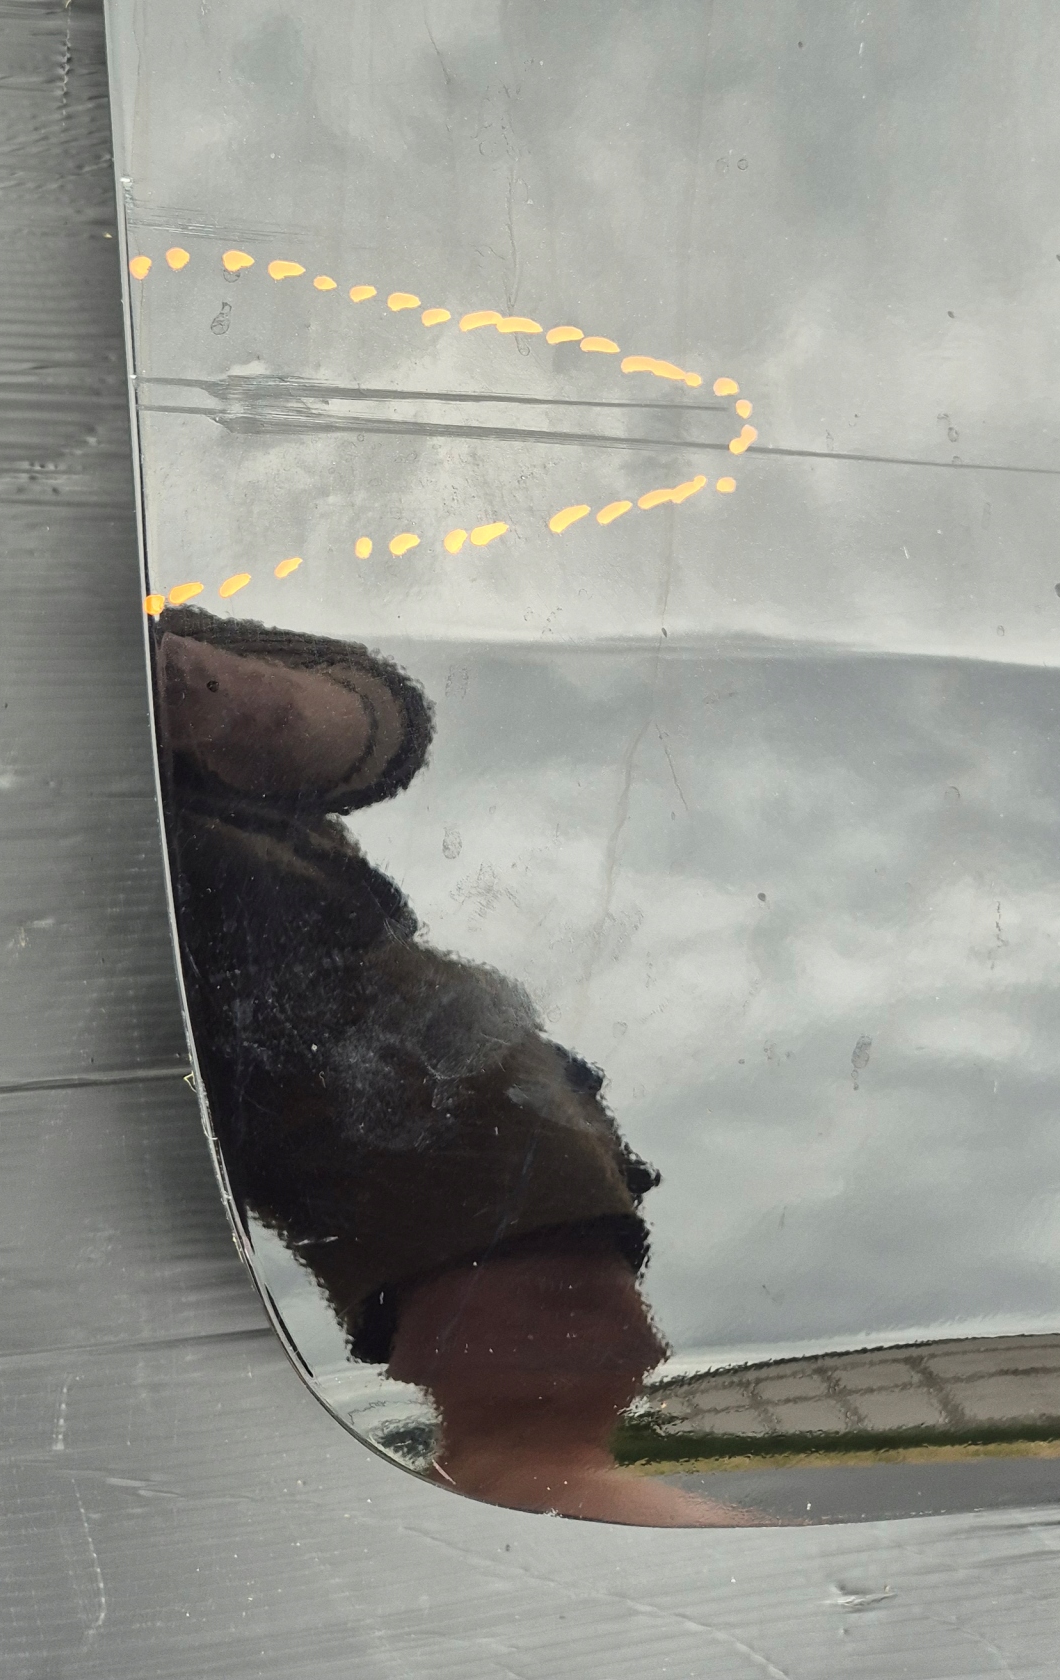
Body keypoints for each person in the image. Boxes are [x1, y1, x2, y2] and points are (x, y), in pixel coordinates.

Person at [151, 603, 756, 1523]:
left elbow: (387, 714)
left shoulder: (125, 610)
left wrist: (241, 702)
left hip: (325, 1000)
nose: (642, 1344)